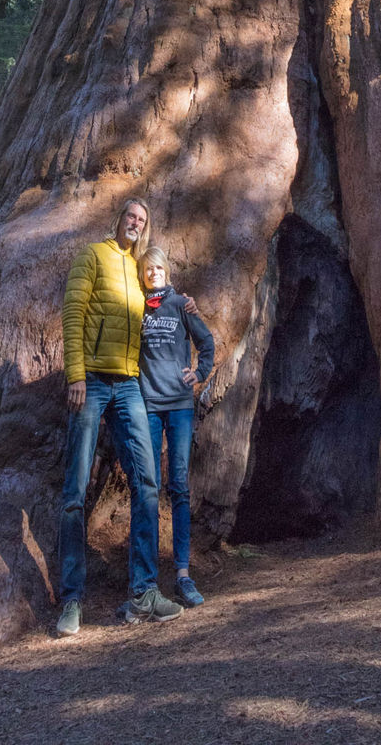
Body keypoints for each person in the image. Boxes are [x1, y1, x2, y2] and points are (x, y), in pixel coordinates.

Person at [55, 197, 183, 636]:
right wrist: (75, 374)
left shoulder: (136, 269)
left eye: (143, 220)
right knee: (74, 491)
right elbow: (73, 315)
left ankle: (144, 590)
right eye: (131, 216)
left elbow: (162, 304)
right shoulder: (92, 256)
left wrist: (189, 308)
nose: (135, 223)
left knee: (147, 481)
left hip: (129, 385)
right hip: (90, 381)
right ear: (118, 219)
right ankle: (71, 600)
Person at [138, 244, 215, 607]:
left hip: (180, 406)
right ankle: (148, 578)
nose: (153, 274)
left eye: (158, 269)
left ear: (167, 271)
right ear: (142, 274)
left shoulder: (181, 305)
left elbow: (206, 342)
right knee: (149, 489)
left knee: (179, 486)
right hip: (148, 407)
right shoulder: (136, 306)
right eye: (147, 269)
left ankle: (183, 574)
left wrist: (198, 373)